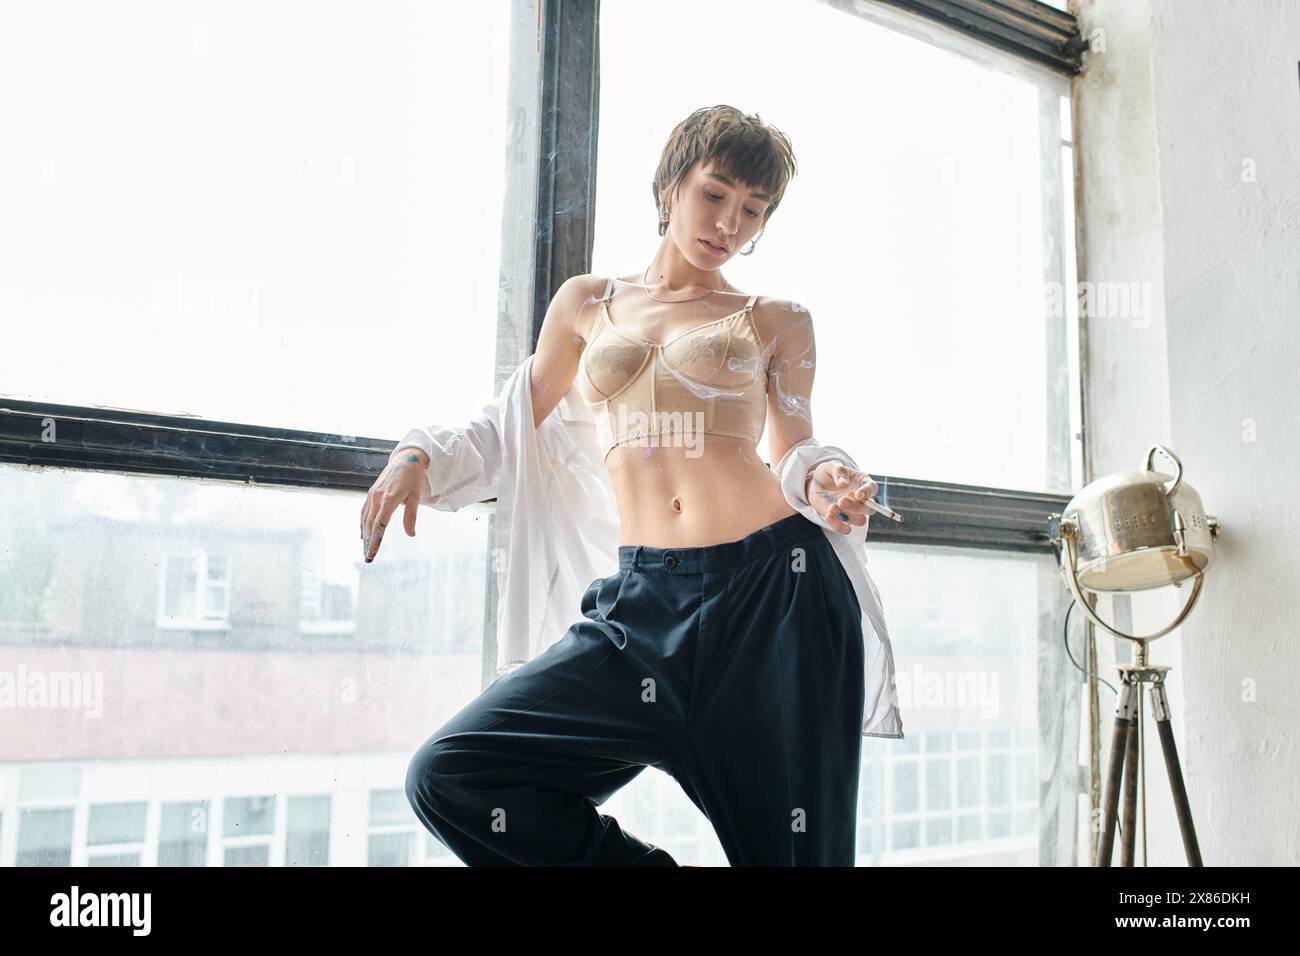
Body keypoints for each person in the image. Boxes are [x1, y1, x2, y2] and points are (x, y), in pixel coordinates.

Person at [361, 105, 898, 866]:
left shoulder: (776, 318)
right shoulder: (586, 304)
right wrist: (416, 454)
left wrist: (827, 478)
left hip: (776, 598)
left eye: (754, 210)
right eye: (715, 194)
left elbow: (795, 447)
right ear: (671, 185)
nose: (730, 224)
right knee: (454, 775)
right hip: (640, 612)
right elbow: (511, 420)